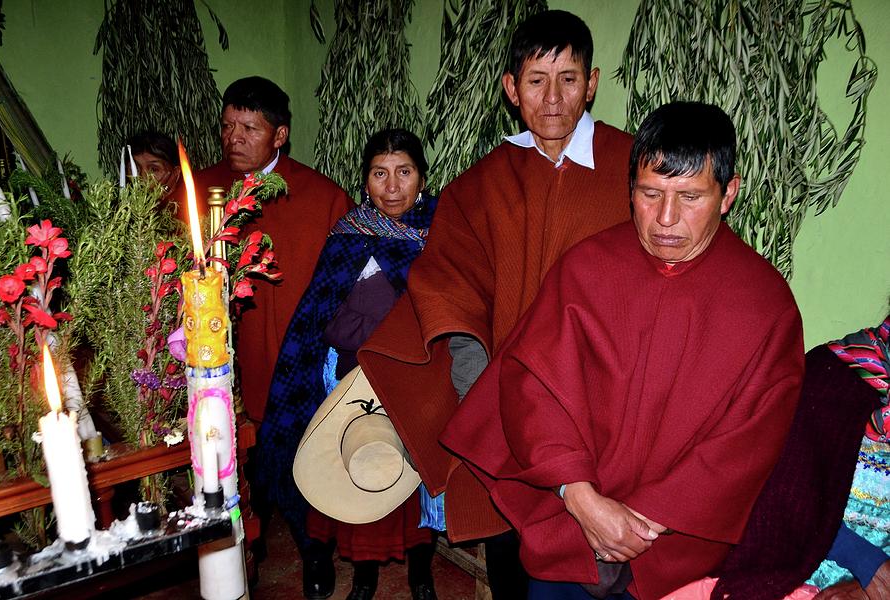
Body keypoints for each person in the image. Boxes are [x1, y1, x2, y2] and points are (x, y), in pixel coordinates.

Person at [439, 101, 806, 600]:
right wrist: (582, 498)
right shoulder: (587, 268)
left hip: (678, 550)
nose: (666, 219)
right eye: (650, 193)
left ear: (728, 193)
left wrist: (642, 524)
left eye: (690, 196)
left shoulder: (766, 305)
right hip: (568, 523)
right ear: (629, 188)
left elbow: (746, 444)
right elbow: (532, 388)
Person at [356, 11, 633, 598]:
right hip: (511, 408)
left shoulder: (634, 171)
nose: (553, 98)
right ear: (511, 88)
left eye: (568, 78)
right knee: (514, 551)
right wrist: (474, 382)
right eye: (536, 80)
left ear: (594, 81)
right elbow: (449, 283)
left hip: (607, 403)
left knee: (606, 563)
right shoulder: (478, 185)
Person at [260, 129, 438, 600]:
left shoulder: (441, 237)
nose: (393, 187)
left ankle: (422, 573)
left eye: (405, 173)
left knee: (414, 478)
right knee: (359, 466)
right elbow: (319, 315)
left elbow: (444, 311)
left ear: (422, 178)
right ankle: (364, 576)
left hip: (416, 380)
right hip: (349, 381)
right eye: (380, 174)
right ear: (365, 182)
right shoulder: (346, 236)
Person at [188, 76, 352, 427]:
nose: (234, 138)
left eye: (250, 128)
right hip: (206, 359)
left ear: (280, 136)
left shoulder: (322, 198)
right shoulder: (197, 190)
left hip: (291, 367)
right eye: (228, 126)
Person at [690, 315, 890, 600]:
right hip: (785, 578)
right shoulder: (829, 375)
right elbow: (774, 495)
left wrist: (870, 592)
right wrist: (866, 564)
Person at [127, 131, 181, 200]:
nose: (142, 177)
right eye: (134, 169)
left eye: (154, 169)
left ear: (176, 173)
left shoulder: (191, 203)